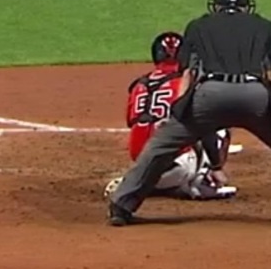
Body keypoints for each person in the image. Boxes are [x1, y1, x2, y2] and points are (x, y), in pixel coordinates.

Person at [106, 0, 271, 233]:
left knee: (160, 147)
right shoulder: (266, 27)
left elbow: (188, 74)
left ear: (216, 7)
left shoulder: (197, 26)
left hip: (209, 97)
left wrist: (177, 115)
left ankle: (121, 207)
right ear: (245, 7)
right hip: (255, 96)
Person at [102, 31, 238, 202]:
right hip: (176, 168)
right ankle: (204, 182)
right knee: (218, 125)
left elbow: (132, 121)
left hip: (141, 161)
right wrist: (216, 166)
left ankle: (140, 181)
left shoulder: (139, 84)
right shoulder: (188, 83)